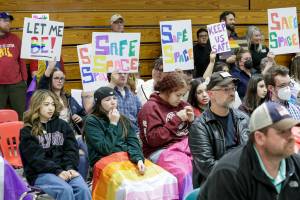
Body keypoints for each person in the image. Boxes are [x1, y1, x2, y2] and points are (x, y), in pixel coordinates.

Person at [84, 86, 178, 199]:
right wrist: (113, 124)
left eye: (114, 98)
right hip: (105, 161)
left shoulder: (123, 119)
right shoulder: (92, 121)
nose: (113, 102)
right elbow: (105, 148)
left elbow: (133, 142)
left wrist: (138, 159)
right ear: (98, 103)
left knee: (165, 178)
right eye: (107, 100)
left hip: (127, 158)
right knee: (130, 187)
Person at [199, 101, 300, 200]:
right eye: (282, 132)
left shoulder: (296, 163)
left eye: (290, 130)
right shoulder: (230, 173)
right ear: (260, 138)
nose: (291, 137)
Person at [19, 90, 91, 200]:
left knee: (83, 189)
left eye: (53, 104)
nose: (51, 108)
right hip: (41, 173)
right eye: (46, 105)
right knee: (65, 190)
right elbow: (36, 159)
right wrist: (57, 171)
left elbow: (71, 150)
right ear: (37, 106)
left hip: (65, 170)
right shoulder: (28, 130)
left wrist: (70, 168)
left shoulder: (63, 125)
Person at [138, 72, 194, 199]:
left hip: (185, 147)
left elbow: (196, 134)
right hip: (161, 151)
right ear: (167, 91)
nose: (181, 99)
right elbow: (153, 140)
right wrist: (176, 119)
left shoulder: (183, 105)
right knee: (183, 173)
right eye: (178, 95)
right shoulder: (150, 108)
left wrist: (193, 121)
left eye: (183, 95)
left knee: (208, 165)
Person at [189, 71, 249, 188]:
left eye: (233, 88)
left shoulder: (243, 118)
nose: (232, 93)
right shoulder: (200, 126)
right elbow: (207, 166)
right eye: (226, 89)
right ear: (211, 94)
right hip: (215, 183)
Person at [0, 12, 27, 120]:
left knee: (20, 116)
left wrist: (24, 80)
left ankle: (21, 136)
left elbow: (22, 60)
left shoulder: (15, 38)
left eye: (9, 21)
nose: (8, 23)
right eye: (5, 20)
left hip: (16, 85)